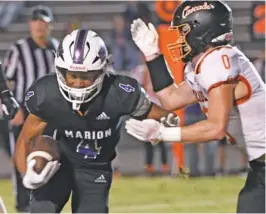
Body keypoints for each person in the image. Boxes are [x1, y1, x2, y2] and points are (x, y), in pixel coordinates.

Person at [126, 1, 265, 213]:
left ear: (202, 29)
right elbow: (170, 99)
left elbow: (216, 128)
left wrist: (163, 133)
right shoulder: (203, 64)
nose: (179, 38)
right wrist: (153, 55)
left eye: (183, 31)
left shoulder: (218, 60)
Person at [13, 29, 173, 213]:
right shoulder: (45, 94)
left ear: (101, 72)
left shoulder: (120, 92)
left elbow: (167, 117)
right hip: (57, 165)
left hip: (95, 169)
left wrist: (161, 129)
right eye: (73, 75)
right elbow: (27, 139)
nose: (79, 83)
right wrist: (28, 176)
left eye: (86, 76)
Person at [1, 5, 58, 212]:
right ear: (30, 25)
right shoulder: (19, 49)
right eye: (35, 22)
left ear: (50, 24)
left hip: (50, 116)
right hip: (23, 113)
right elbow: (6, 81)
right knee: (21, 158)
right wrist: (12, 107)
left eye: (43, 21)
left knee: (49, 158)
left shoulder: (56, 49)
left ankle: (45, 201)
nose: (39, 26)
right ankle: (23, 204)